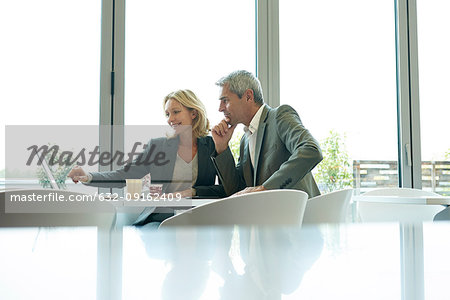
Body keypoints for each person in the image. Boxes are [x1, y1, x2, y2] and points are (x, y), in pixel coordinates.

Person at [68, 89, 226, 224]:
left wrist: (191, 192)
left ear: (194, 113)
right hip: (160, 218)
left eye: (176, 112)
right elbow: (125, 174)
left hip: (199, 218)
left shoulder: (212, 145)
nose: (170, 119)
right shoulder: (158, 147)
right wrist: (88, 176)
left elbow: (226, 189)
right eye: (167, 114)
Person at [210, 70, 322, 198]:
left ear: (248, 96)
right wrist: (222, 148)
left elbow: (311, 150)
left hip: (299, 213)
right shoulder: (245, 140)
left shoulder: (279, 116)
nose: (220, 108)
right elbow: (237, 191)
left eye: (225, 100)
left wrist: (266, 188)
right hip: (269, 215)